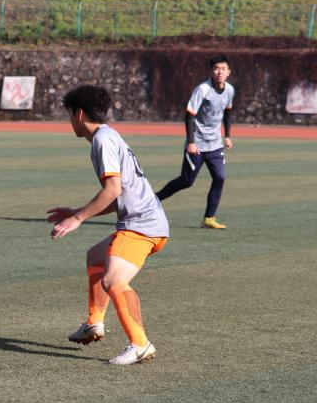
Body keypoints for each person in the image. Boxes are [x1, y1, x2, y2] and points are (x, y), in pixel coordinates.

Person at [48, 85, 169, 366]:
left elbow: (112, 189)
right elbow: (119, 195)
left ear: (79, 114)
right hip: (147, 221)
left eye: (69, 114)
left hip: (142, 226)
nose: (70, 121)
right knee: (95, 257)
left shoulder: (102, 140)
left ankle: (140, 344)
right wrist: (78, 211)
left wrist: (78, 218)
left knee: (113, 280)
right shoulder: (109, 135)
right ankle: (94, 322)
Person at [156, 54, 234, 229]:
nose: (220, 72)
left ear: (229, 71)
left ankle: (209, 218)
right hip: (197, 144)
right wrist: (191, 142)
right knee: (187, 181)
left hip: (215, 144)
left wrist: (227, 135)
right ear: (211, 71)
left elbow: (228, 112)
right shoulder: (203, 90)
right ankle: (154, 199)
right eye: (216, 69)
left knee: (220, 177)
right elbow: (189, 115)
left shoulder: (229, 90)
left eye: (223, 69)